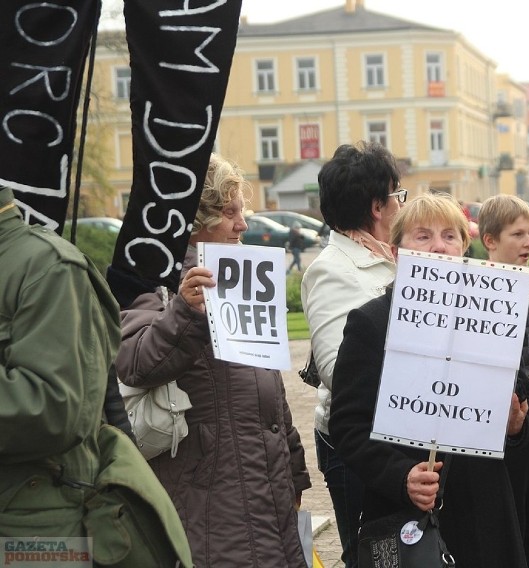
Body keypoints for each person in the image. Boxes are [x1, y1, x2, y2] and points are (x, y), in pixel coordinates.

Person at [115, 154, 311, 567]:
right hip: (209, 503)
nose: (243, 224)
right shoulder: (158, 284)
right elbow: (135, 363)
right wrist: (185, 312)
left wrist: (294, 466)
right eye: (229, 212)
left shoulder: (247, 278)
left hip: (269, 494)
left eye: (242, 211)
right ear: (195, 219)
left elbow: (268, 384)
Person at [329, 193, 529, 567]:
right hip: (410, 518)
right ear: (397, 252)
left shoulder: (494, 315)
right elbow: (348, 426)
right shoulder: (371, 323)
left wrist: (517, 424)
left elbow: (528, 403)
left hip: (486, 516)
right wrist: (401, 476)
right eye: (422, 236)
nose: (439, 246)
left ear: (464, 247)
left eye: (450, 236)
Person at [0, 185, 192, 565]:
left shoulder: (46, 267)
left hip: (34, 541)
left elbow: (54, 408)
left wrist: (188, 315)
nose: (240, 225)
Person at [300, 141, 403, 567]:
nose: (402, 206)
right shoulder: (330, 269)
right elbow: (335, 368)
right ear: (378, 206)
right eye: (398, 197)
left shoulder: (396, 256)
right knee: (374, 553)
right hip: (359, 446)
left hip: (400, 434)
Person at [478, 194, 529, 568]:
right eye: (517, 234)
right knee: (506, 534)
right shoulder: (476, 297)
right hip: (503, 435)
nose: (528, 243)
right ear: (490, 241)